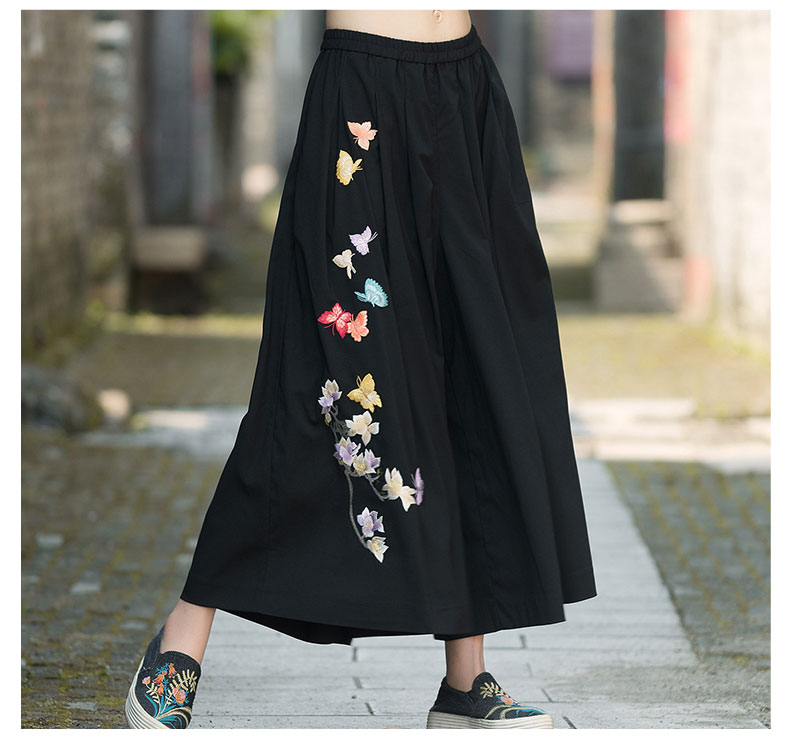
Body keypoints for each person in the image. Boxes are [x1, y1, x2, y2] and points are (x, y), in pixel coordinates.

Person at [125, 9, 597, 729]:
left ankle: (465, 680)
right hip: (361, 102)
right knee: (324, 384)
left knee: (477, 368)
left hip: (465, 93)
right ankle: (184, 630)